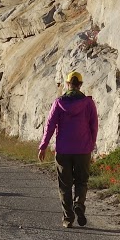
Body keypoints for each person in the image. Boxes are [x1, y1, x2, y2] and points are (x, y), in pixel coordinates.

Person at [38, 70, 99, 228]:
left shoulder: (59, 102)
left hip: (63, 150)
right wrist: (91, 144)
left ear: (67, 84)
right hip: (83, 149)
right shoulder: (88, 103)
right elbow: (94, 126)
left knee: (64, 186)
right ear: (80, 85)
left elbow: (50, 126)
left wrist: (43, 146)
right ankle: (79, 203)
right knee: (82, 181)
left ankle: (68, 218)